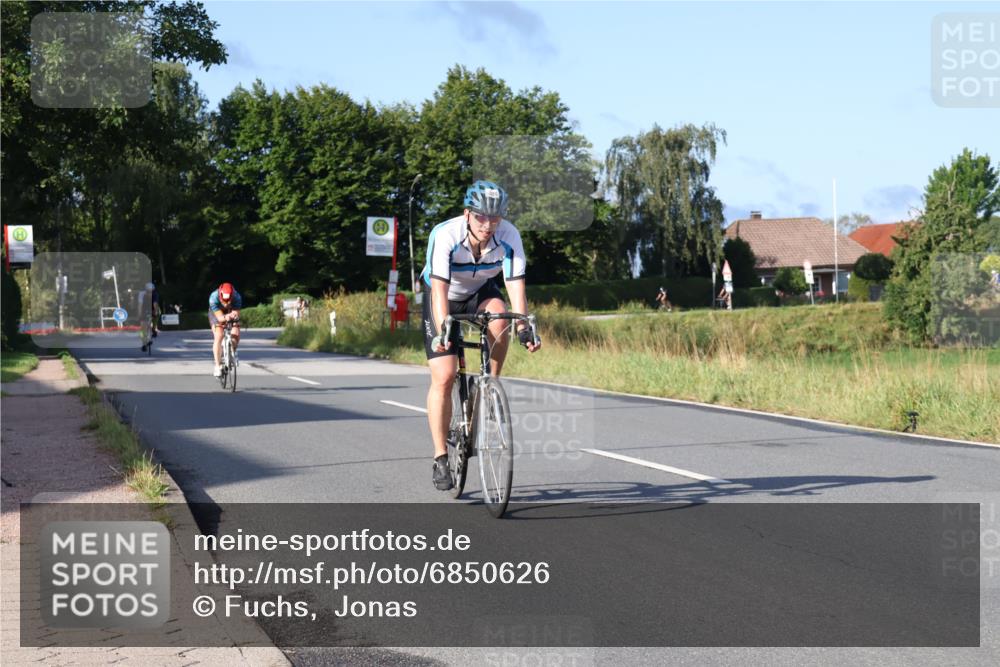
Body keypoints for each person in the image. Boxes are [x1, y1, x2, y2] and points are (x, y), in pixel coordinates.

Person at [421, 180, 541, 490]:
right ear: (467, 214)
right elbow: (438, 291)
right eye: (481, 218)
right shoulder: (445, 234)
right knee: (445, 376)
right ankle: (440, 457)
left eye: (495, 218)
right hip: (443, 295)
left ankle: (490, 385)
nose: (489, 226)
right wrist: (443, 328)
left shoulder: (509, 235)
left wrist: (524, 326)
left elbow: (515, 285)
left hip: (479, 292)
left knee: (501, 318)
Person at [208, 282, 242, 377]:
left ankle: (233, 351)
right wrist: (225, 317)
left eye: (228, 301)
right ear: (220, 296)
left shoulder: (237, 297)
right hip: (216, 313)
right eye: (224, 301)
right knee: (219, 335)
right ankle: (218, 366)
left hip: (231, 311)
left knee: (235, 331)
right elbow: (219, 318)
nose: (226, 304)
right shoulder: (213, 298)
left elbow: (235, 314)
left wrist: (233, 318)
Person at [137, 282, 161, 352]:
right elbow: (140, 305)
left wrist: (155, 312)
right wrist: (139, 314)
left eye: (151, 291)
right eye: (148, 291)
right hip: (144, 309)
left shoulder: (155, 294)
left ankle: (154, 328)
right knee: (142, 328)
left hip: (153, 308)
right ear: (146, 290)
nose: (150, 293)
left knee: (158, 313)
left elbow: (155, 304)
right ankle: (144, 343)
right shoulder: (141, 294)